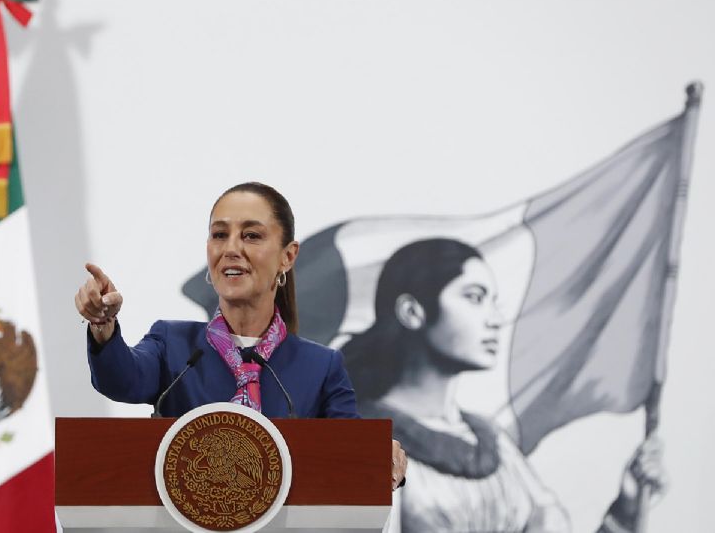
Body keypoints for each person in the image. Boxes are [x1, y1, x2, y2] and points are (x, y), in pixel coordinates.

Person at [75, 181, 408, 487]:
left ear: (288, 256)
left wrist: (378, 456)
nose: (231, 248)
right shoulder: (173, 345)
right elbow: (120, 380)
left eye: (251, 236)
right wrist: (103, 326)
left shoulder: (321, 367)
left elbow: (353, 455)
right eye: (220, 235)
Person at [343, 238, 666, 533]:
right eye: (474, 298)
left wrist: (624, 510)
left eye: (493, 301)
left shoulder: (493, 443)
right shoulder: (359, 440)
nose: (495, 319)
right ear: (412, 312)